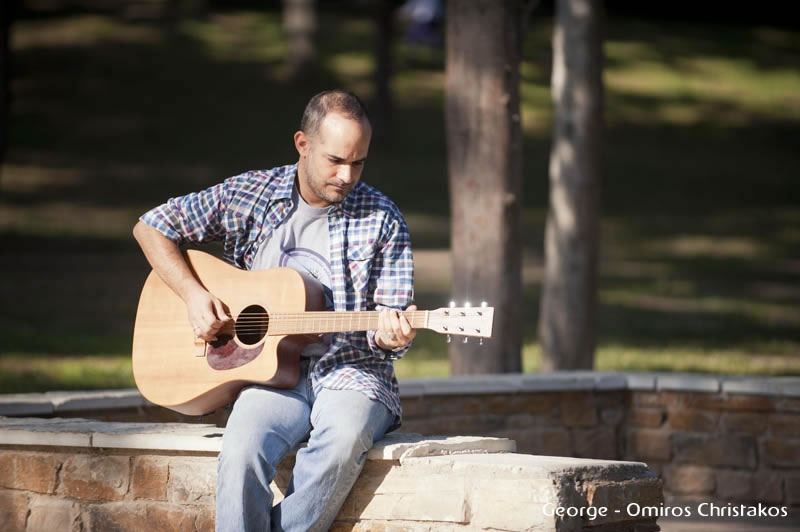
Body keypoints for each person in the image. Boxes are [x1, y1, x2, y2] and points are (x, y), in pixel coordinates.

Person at [132, 90, 416, 532]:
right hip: (265, 371)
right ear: (302, 144)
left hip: (351, 370)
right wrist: (192, 295)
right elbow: (151, 226)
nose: (347, 175)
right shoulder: (252, 193)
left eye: (358, 163)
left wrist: (390, 335)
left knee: (342, 440)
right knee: (242, 450)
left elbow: (388, 323)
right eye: (335, 160)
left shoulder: (382, 218)